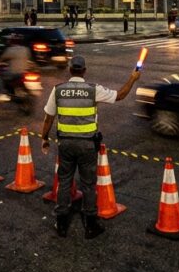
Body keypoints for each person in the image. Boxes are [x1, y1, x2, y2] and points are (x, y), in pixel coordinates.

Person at [39, 55, 141, 239]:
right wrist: (132, 79)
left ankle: (61, 223)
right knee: (88, 185)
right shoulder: (93, 90)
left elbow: (48, 118)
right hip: (87, 145)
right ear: (84, 71)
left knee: (64, 182)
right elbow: (120, 95)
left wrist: (44, 138)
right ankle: (90, 225)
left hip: (66, 144)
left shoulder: (58, 90)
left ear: (70, 70)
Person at [0, 33, 30, 102]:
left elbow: (1, 59)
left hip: (14, 73)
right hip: (24, 72)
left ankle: (2, 93)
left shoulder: (10, 50)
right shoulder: (26, 49)